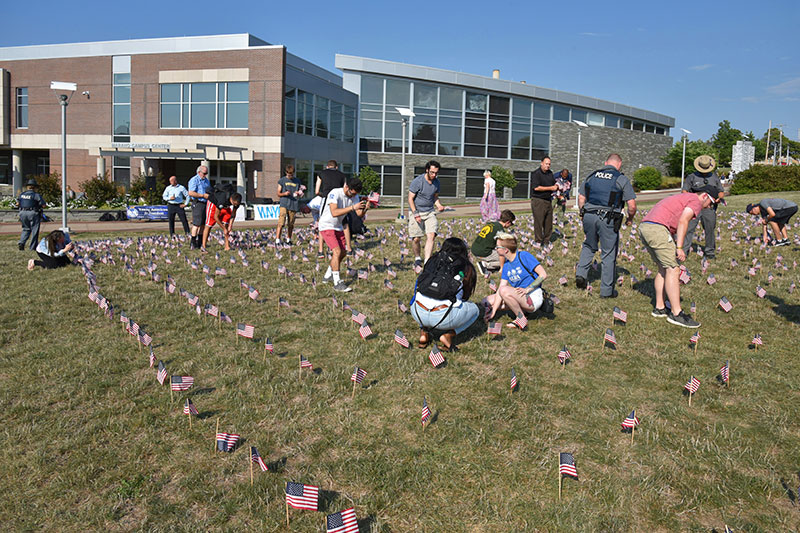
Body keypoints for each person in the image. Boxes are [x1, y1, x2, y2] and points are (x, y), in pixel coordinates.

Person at [639, 187, 716, 328]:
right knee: (673, 269)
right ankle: (676, 314)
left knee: (663, 268)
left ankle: (660, 307)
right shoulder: (695, 201)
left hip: (646, 226)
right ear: (704, 196)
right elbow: (683, 221)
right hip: (657, 228)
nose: (710, 207)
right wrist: (679, 248)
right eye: (711, 203)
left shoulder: (683, 198)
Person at [575, 154, 637, 298]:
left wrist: (582, 212)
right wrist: (630, 219)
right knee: (608, 253)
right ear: (619, 164)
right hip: (608, 218)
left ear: (605, 163)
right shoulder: (621, 178)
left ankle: (581, 274)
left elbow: (581, 198)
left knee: (589, 245)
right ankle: (606, 291)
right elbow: (631, 205)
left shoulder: (592, 176)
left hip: (589, 215)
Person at [411, 237, 480, 351]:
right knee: (475, 310)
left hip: (417, 312)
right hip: (442, 316)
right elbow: (465, 296)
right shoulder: (465, 266)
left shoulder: (432, 260)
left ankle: (424, 333)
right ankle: (448, 335)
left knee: (426, 297)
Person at [485, 233, 548, 329]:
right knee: (486, 301)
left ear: (505, 250)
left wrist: (527, 289)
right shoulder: (506, 265)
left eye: (497, 247)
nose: (495, 249)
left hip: (533, 296)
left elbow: (543, 275)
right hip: (519, 296)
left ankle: (521, 318)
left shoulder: (524, 256)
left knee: (504, 291)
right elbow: (501, 288)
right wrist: (493, 310)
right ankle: (521, 310)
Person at [319, 176, 369, 292]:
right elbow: (334, 212)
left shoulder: (354, 195)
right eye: (352, 193)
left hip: (338, 226)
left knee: (342, 253)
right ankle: (337, 283)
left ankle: (328, 275)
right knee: (336, 251)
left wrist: (365, 209)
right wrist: (352, 207)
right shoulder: (335, 193)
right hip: (326, 225)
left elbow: (358, 214)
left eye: (355, 194)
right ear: (346, 187)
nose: (353, 196)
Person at [681, 155, 725, 258]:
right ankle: (684, 251)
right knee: (689, 228)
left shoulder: (714, 177)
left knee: (709, 229)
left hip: (709, 208)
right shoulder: (691, 177)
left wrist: (719, 198)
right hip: (693, 207)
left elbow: (721, 191)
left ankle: (710, 251)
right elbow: (684, 191)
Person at [409, 160, 447, 267]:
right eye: (432, 172)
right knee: (416, 238)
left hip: (430, 211)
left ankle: (427, 262)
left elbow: (435, 197)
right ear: (427, 170)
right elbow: (410, 199)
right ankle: (417, 257)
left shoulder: (436, 182)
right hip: (416, 211)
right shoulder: (418, 181)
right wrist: (416, 214)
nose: (434, 175)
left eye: (436, 173)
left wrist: (439, 205)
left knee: (431, 236)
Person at [315, 160, 347, 258]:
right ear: (336, 167)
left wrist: (323, 195)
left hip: (326, 199)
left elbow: (317, 191)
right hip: (338, 200)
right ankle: (343, 247)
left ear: (327, 166)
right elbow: (344, 189)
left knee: (323, 223)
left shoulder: (322, 173)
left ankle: (321, 250)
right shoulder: (342, 175)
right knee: (340, 223)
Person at [471, 209, 516, 275]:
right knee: (508, 257)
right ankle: (485, 264)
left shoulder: (491, 224)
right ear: (508, 222)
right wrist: (502, 268)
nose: (511, 225)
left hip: (475, 249)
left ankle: (487, 262)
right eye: (511, 223)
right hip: (483, 252)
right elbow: (501, 249)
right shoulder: (500, 231)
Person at [529, 156, 557, 245]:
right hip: (538, 200)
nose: (548, 166)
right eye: (546, 164)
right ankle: (538, 241)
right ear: (541, 163)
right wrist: (551, 188)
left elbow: (553, 183)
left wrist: (557, 186)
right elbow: (536, 188)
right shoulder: (536, 174)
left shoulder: (550, 173)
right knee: (539, 221)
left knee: (548, 222)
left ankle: (546, 241)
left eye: (549, 164)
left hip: (548, 200)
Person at [276, 164, 303, 246]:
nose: (290, 176)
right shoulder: (282, 180)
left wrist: (299, 193)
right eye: (288, 174)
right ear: (286, 173)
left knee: (291, 224)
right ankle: (277, 240)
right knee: (281, 222)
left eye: (291, 174)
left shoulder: (297, 181)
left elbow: (301, 193)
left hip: (293, 204)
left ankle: (289, 239)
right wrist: (284, 193)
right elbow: (278, 193)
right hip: (284, 203)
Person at [187, 165, 212, 249]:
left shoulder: (206, 181)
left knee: (202, 224)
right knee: (196, 224)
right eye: (204, 173)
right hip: (198, 202)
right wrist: (202, 195)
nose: (205, 175)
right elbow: (190, 193)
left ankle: (200, 242)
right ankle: (193, 242)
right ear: (199, 172)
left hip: (205, 203)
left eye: (206, 173)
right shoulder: (194, 180)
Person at [17, 178, 45, 251]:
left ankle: (21, 242)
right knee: (34, 230)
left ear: (27, 187)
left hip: (22, 212)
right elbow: (43, 205)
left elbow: (17, 204)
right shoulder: (36, 195)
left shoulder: (22, 194)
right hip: (33, 212)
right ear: (34, 187)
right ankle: (32, 247)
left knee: (25, 229)